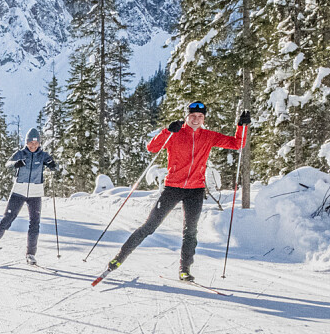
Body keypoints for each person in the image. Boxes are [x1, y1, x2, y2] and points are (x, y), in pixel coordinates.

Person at [104, 101, 250, 282]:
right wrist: (167, 131)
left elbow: (237, 144)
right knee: (149, 226)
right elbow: (152, 148)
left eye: (200, 117)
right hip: (172, 188)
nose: (196, 119)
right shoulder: (175, 133)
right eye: (193, 116)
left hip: (195, 190)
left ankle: (184, 270)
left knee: (190, 231)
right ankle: (118, 259)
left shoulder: (208, 136)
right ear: (186, 116)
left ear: (204, 118)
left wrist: (242, 126)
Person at [0, 127, 58, 264]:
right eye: (31, 143)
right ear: (26, 143)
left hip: (35, 193)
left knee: (35, 223)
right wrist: (16, 163)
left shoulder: (43, 155)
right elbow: (7, 164)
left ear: (39, 143)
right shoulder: (21, 153)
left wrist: (52, 165)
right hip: (19, 191)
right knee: (7, 218)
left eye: (36, 143)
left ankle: (30, 254)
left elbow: (55, 166)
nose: (33, 146)